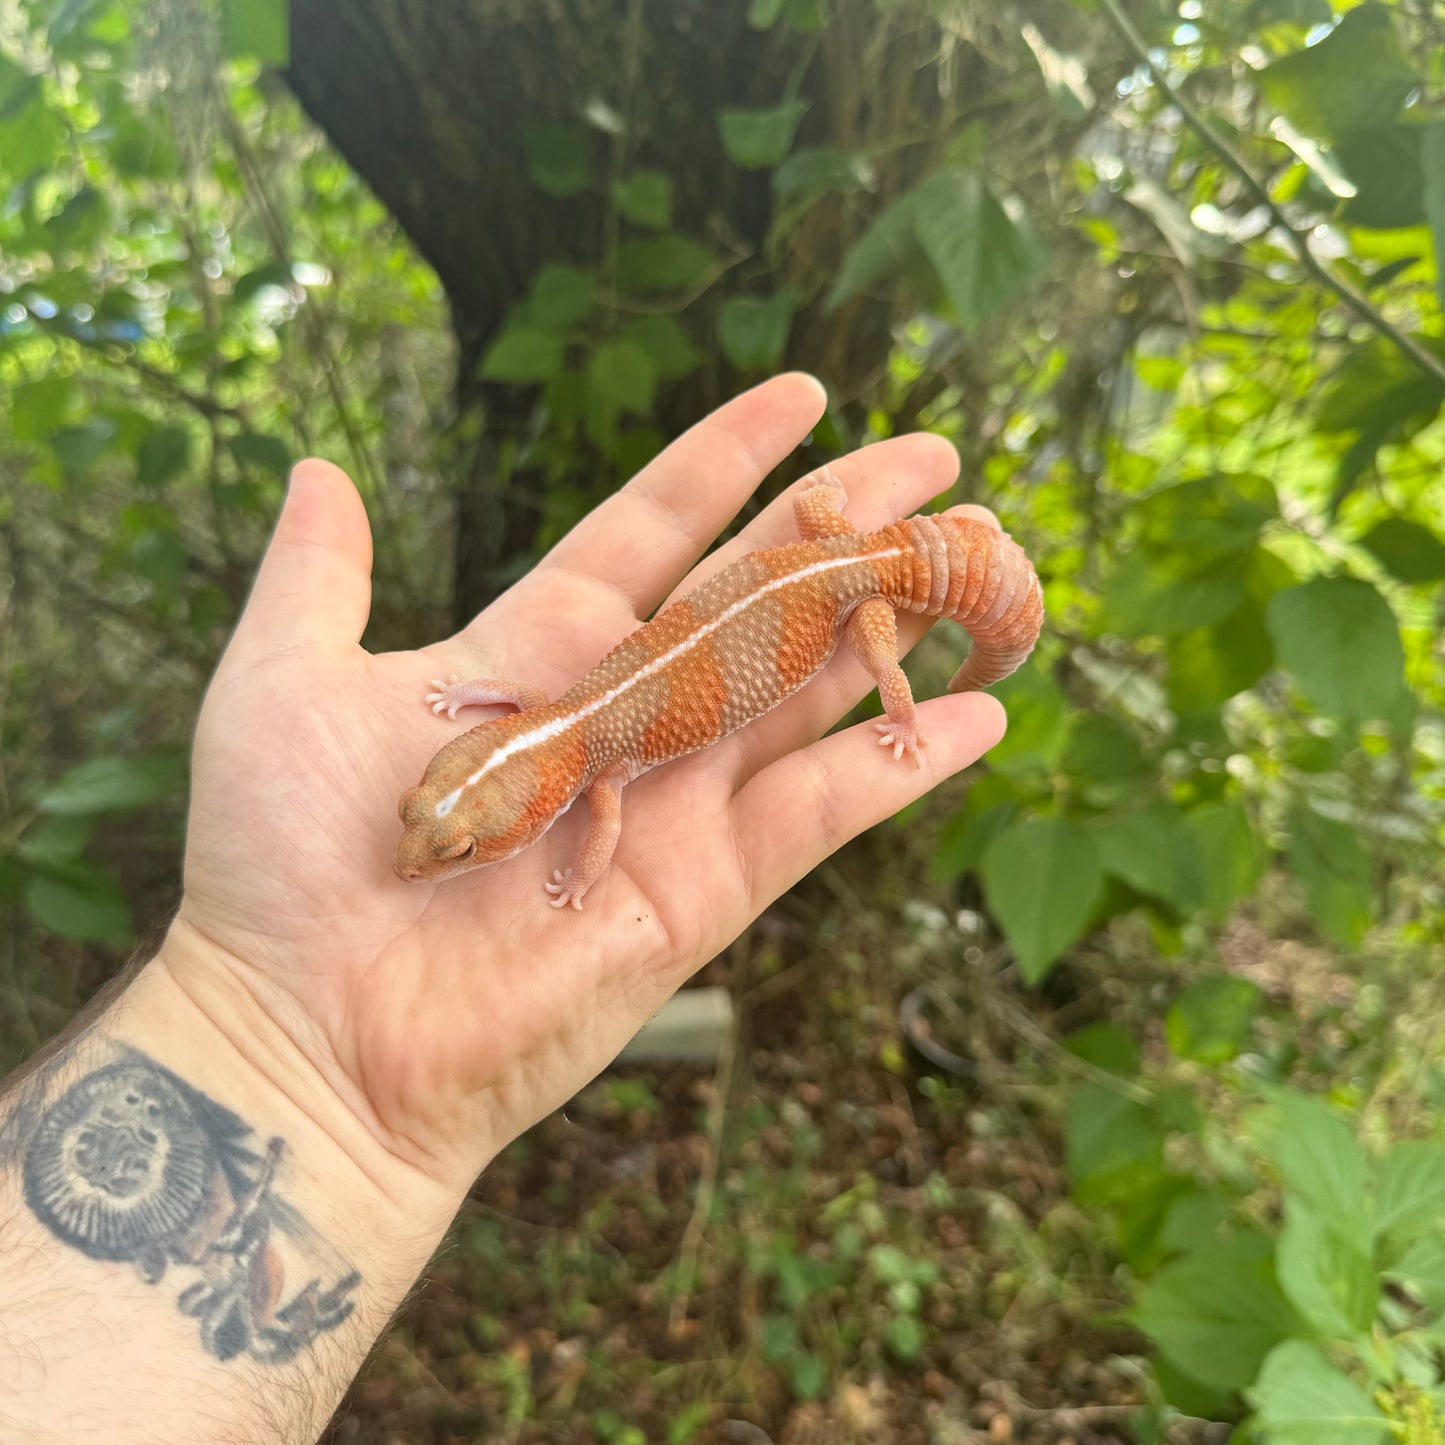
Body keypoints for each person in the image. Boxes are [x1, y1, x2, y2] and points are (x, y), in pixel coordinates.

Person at [0, 374, 1007, 1442]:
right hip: (833, 546)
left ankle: (931, 678)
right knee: (823, 521)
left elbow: (592, 815)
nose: (423, 852)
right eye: (425, 817)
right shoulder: (555, 724)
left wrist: (582, 876)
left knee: (880, 649)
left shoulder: (592, 760)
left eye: (460, 841)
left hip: (865, 589)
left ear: (530, 811)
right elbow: (515, 725)